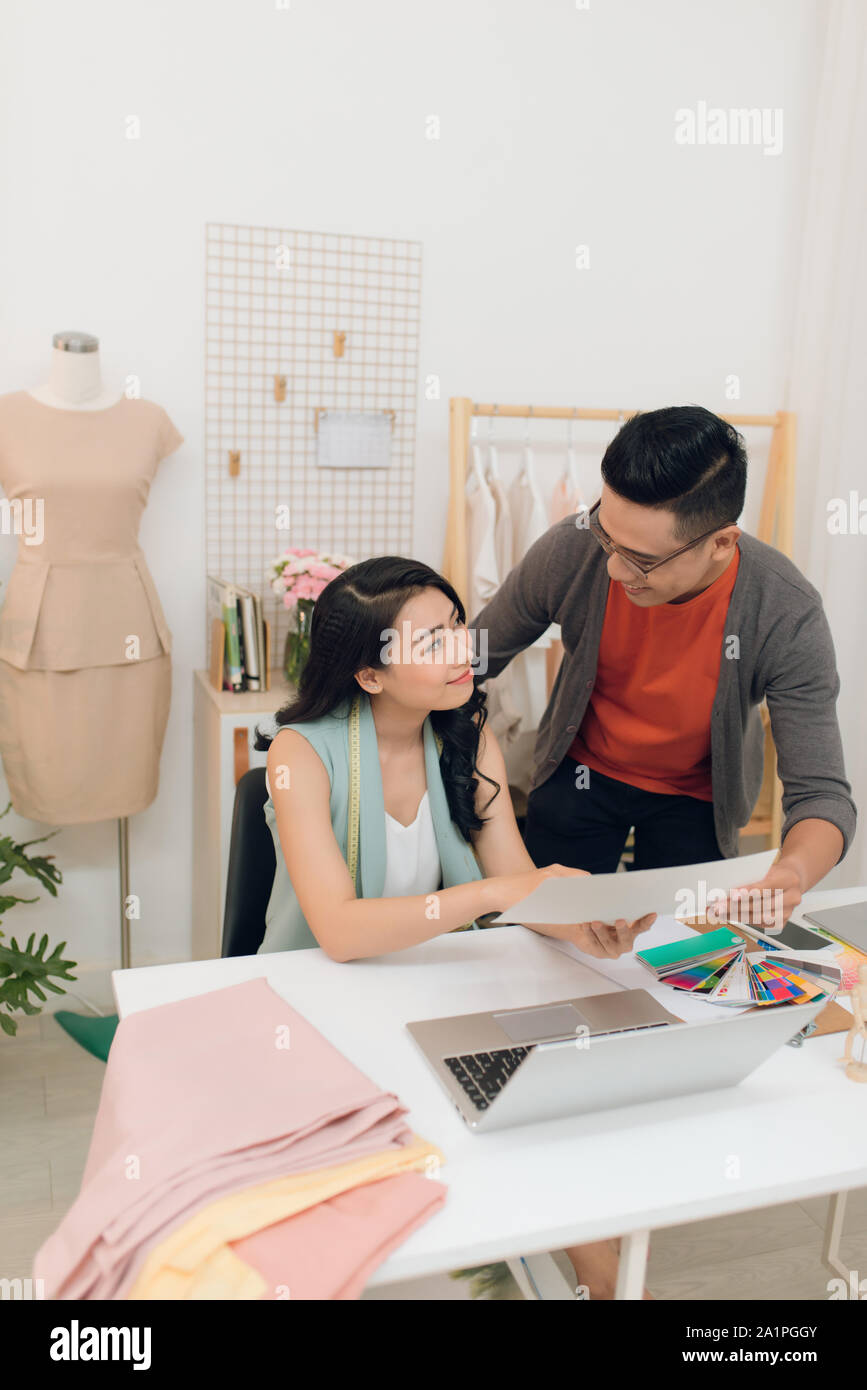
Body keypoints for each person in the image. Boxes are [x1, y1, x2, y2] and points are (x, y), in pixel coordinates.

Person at [468, 403, 857, 1296]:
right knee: (537, 968)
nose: (612, 565)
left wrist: (789, 874)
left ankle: (634, 1190)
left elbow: (822, 795)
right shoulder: (578, 547)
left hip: (693, 806)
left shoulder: (780, 607)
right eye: (607, 536)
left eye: (639, 558)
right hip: (577, 781)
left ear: (718, 543)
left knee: (678, 996)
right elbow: (478, 650)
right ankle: (530, 1182)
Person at [254, 556, 656, 1300]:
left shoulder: (468, 736)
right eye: (430, 642)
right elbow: (339, 932)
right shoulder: (298, 753)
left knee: (555, 1103)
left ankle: (604, 1287)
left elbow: (513, 883)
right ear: (368, 675)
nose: (460, 652)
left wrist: (581, 927)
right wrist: (506, 891)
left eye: (457, 629)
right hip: (320, 1001)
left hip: (429, 988)